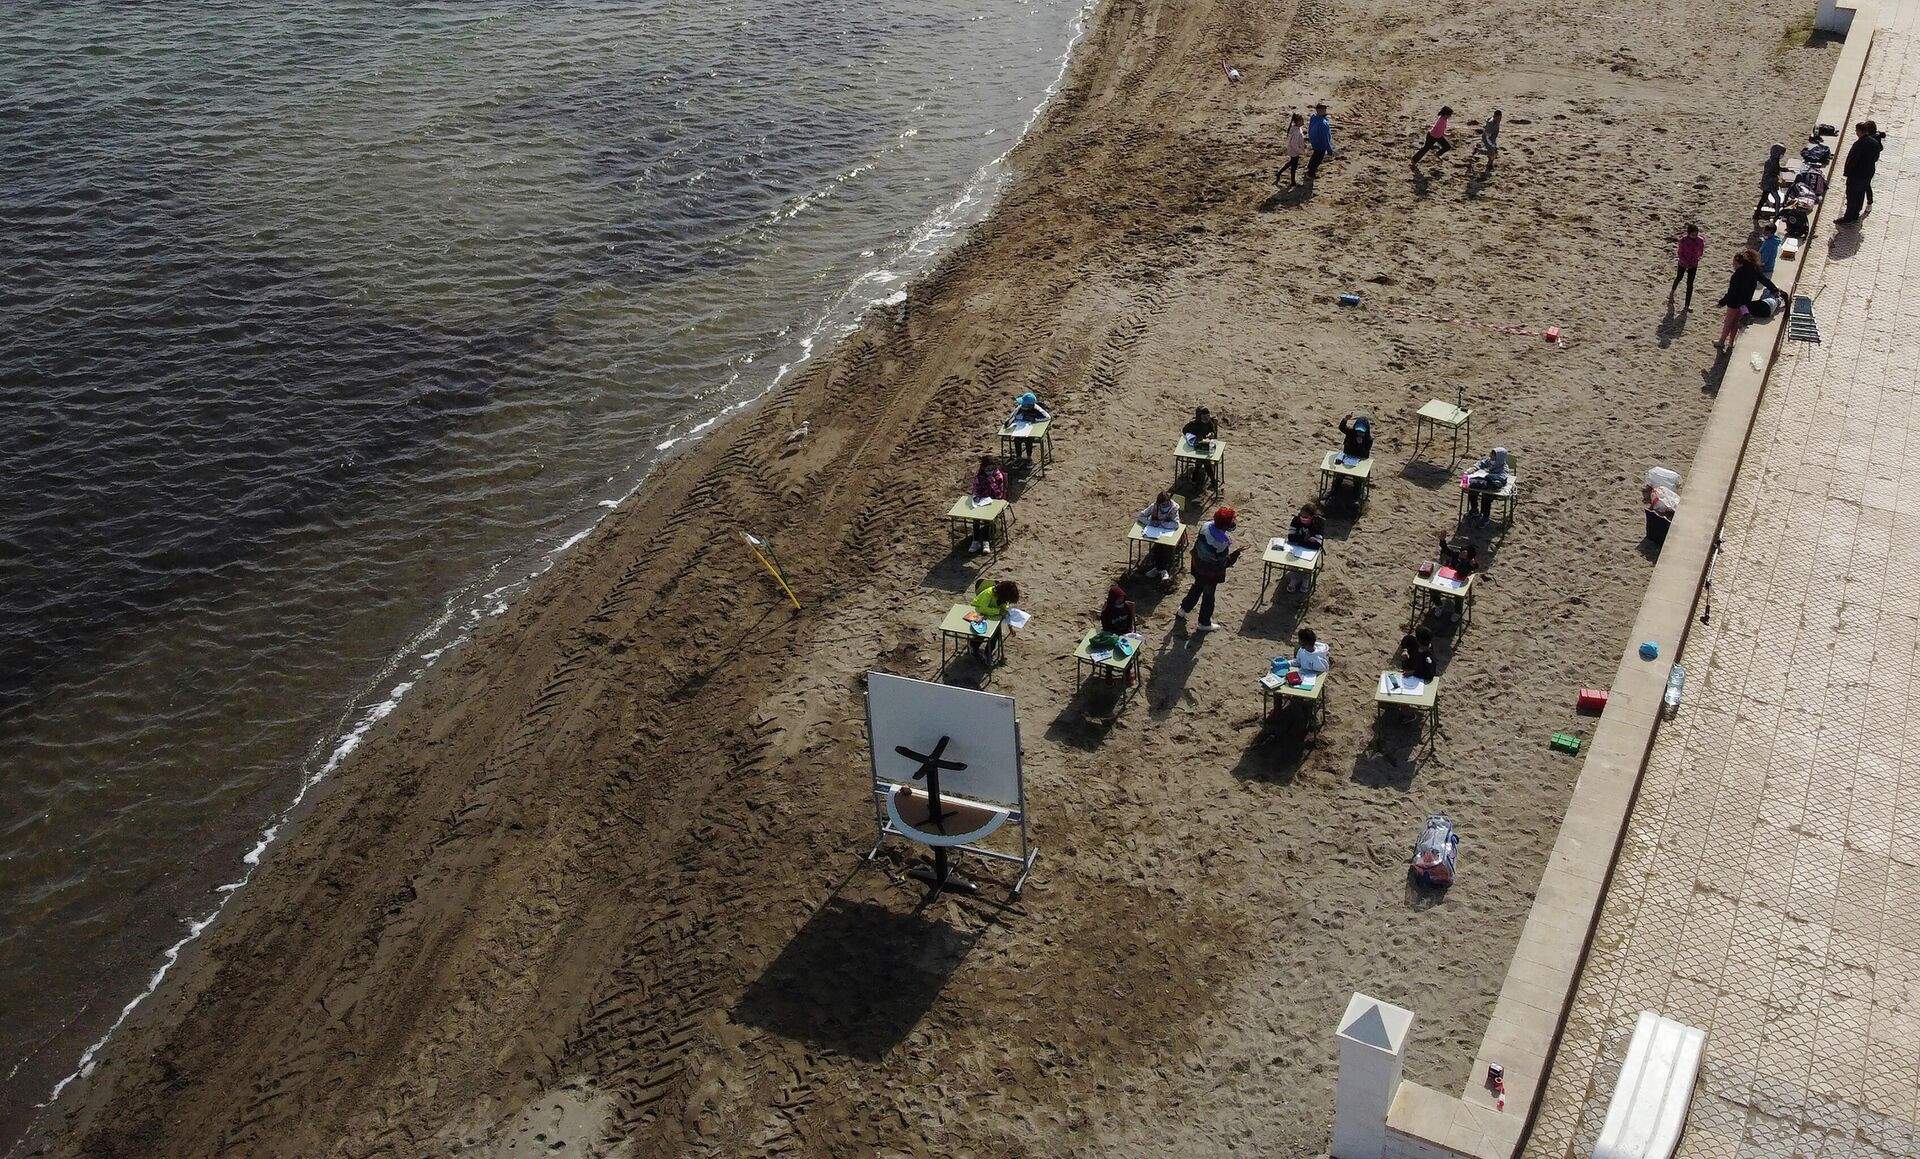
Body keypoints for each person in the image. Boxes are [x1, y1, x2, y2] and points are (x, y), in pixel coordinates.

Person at [1179, 506, 1242, 632]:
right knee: (1208, 597)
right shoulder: (1221, 543)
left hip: (1198, 564)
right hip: (1210, 572)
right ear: (1225, 526)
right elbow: (1223, 562)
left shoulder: (1205, 525)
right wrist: (1235, 555)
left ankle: (1184, 609)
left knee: (1197, 586)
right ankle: (1204, 622)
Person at [1715, 248, 1784, 350]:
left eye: (1735, 263)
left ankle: (1721, 342)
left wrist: (1722, 302)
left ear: (1741, 264)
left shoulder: (1737, 275)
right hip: (1745, 303)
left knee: (1728, 322)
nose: (1733, 265)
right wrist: (1774, 289)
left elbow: (1731, 292)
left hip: (1734, 302)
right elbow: (1765, 280)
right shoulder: (1754, 270)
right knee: (1735, 323)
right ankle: (1731, 342)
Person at [1836, 120, 1886, 224]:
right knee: (1860, 195)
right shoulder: (1875, 142)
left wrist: (1848, 172)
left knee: (1851, 196)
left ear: (1859, 131)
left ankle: (1848, 217)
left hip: (1856, 175)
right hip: (1868, 173)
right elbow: (1876, 158)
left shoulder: (1859, 144)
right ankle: (1856, 214)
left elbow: (1852, 160)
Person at [969, 579, 1021, 658]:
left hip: (991, 615)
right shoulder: (988, 593)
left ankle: (988, 653)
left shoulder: (1003, 598)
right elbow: (982, 609)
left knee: (996, 633)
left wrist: (1010, 627)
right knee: (982, 630)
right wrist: (998, 611)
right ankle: (973, 646)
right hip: (978, 613)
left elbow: (1004, 610)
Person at [1139, 490, 1183, 581]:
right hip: (1155, 532)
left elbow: (1176, 524)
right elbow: (1141, 516)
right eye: (1162, 505)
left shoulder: (1174, 508)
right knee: (1158, 546)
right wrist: (1150, 522)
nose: (1164, 506)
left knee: (1165, 548)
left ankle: (1163, 569)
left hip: (1169, 533)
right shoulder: (1155, 506)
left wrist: (1162, 523)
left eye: (1165, 504)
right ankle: (1160, 569)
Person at [967, 455, 1006, 554]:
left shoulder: (998, 476)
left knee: (986, 518)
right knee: (975, 517)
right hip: (981, 501)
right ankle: (975, 541)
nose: (989, 470)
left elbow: (999, 494)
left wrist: (991, 481)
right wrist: (976, 496)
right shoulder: (979, 475)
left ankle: (986, 541)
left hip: (994, 501)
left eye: (992, 468)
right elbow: (976, 488)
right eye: (987, 468)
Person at [1462, 447, 1510, 524]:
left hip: (1494, 485)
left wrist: (1490, 476)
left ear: (1499, 459)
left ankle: (1485, 517)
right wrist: (1474, 468)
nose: (1491, 459)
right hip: (1486, 479)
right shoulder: (1490, 461)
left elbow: (1502, 477)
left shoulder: (1504, 468)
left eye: (1493, 458)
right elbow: (1481, 463)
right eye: (1491, 456)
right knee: (1472, 487)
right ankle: (1474, 509)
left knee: (1486, 495)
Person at [1284, 502, 1324, 593]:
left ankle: (1306, 580)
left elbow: (1317, 544)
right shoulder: (1296, 520)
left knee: (1308, 563)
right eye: (1301, 515)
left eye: (1305, 517)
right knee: (1291, 558)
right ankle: (1294, 579)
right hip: (1296, 548)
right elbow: (1291, 537)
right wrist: (1305, 540)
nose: (1302, 518)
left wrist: (1300, 540)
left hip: (1310, 551)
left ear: (1312, 517)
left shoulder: (1317, 525)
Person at [1005, 392, 1051, 469]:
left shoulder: (1037, 409)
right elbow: (1012, 416)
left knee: (1028, 440)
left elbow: (1048, 417)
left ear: (1030, 405)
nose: (1022, 405)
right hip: (1021, 427)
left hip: (1032, 429)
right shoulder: (1020, 407)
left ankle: (1029, 458)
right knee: (1017, 439)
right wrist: (1016, 419)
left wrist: (1035, 419)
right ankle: (1018, 457)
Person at [1182, 406, 1220, 490]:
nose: (1206, 418)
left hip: (1208, 444)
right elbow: (1185, 431)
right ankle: (1212, 480)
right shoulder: (1194, 424)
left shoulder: (1210, 422)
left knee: (1204, 459)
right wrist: (1192, 437)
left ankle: (1196, 474)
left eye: (1207, 416)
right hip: (1196, 445)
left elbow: (1213, 432)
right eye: (1204, 417)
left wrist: (1212, 434)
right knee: (1205, 460)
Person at [1671, 224, 1704, 310]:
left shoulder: (1700, 240)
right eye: (1693, 234)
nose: (1695, 236)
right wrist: (1685, 261)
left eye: (1696, 234)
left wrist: (1695, 259)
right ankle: (1672, 291)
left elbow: (1701, 252)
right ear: (1688, 233)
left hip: (1693, 264)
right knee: (1679, 277)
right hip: (1683, 263)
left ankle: (1687, 305)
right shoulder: (1683, 240)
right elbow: (1680, 252)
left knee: (1690, 284)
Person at [1754, 143, 1787, 219]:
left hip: (1767, 183)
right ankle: (1777, 215)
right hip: (1770, 184)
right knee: (1777, 199)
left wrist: (1784, 169)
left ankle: (1757, 214)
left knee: (1764, 198)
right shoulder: (1773, 163)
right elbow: (1773, 173)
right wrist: (1779, 183)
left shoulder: (1772, 161)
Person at [1277, 112, 1307, 187]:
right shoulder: (1296, 132)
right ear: (1297, 122)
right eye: (1301, 121)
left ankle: (1279, 173)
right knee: (1294, 166)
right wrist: (1301, 151)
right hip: (1294, 151)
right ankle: (1293, 181)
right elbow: (1294, 144)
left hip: (1293, 150)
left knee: (1291, 163)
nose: (1303, 122)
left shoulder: (1294, 128)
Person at [1307, 102, 1335, 180]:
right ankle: (1311, 173)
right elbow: (1324, 138)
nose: (1325, 111)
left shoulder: (1314, 117)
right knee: (1318, 159)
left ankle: (1309, 167)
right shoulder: (1322, 123)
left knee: (1315, 155)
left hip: (1314, 141)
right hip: (1320, 144)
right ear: (1318, 110)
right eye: (1323, 110)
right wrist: (1329, 150)